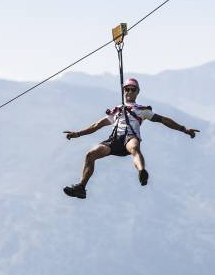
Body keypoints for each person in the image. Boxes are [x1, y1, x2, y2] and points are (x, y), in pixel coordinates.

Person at [62, 77, 199, 199]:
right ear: (123, 91)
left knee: (134, 148)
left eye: (133, 89)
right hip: (114, 140)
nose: (130, 92)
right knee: (90, 154)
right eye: (127, 89)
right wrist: (78, 133)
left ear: (137, 92)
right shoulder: (116, 110)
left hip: (130, 137)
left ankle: (141, 171)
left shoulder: (142, 110)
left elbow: (163, 120)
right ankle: (81, 187)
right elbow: (97, 125)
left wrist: (184, 129)